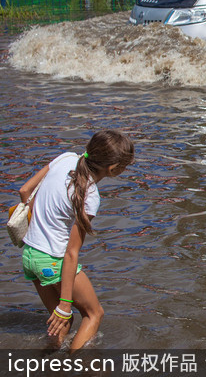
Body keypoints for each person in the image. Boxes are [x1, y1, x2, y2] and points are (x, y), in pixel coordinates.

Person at [19, 130, 134, 351]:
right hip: (52, 261)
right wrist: (64, 303)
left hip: (29, 256)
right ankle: (78, 366)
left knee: (62, 322)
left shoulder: (65, 157)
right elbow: (71, 252)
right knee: (93, 314)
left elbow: (25, 191)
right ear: (114, 169)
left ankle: (50, 363)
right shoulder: (90, 196)